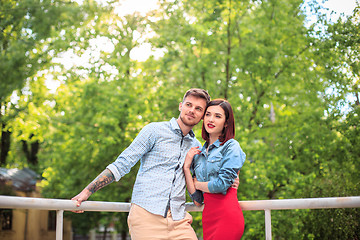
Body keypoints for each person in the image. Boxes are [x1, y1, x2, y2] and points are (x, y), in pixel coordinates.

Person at [71, 88, 212, 240]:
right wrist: (87, 191)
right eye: (189, 105)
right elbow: (122, 164)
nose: (192, 111)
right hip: (146, 216)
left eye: (198, 109)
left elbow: (198, 196)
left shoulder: (197, 148)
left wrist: (228, 181)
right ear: (180, 106)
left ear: (203, 116)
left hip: (179, 220)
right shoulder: (154, 131)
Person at [183, 99, 246, 240]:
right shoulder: (198, 153)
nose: (211, 119)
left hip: (227, 216)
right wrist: (186, 168)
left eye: (218, 116)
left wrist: (198, 184)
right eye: (208, 114)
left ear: (226, 123)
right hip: (208, 218)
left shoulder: (231, 146)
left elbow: (221, 185)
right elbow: (198, 200)